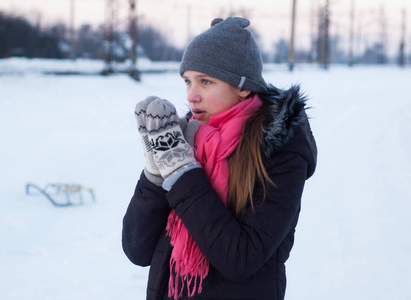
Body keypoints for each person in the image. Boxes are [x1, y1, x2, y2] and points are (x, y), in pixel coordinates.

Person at [122, 17, 317, 300]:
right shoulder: (188, 140)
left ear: (243, 87)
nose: (192, 96)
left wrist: (181, 171)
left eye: (206, 81)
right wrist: (155, 173)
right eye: (187, 81)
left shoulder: (279, 153)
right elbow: (137, 250)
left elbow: (239, 259)